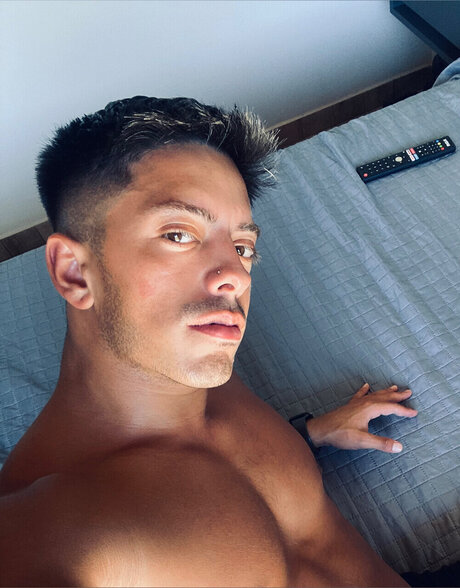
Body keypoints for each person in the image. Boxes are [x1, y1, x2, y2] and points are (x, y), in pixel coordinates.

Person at [0, 96, 418, 586]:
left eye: (242, 246)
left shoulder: (201, 369)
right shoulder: (56, 529)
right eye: (179, 234)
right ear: (74, 272)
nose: (235, 276)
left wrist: (310, 435)